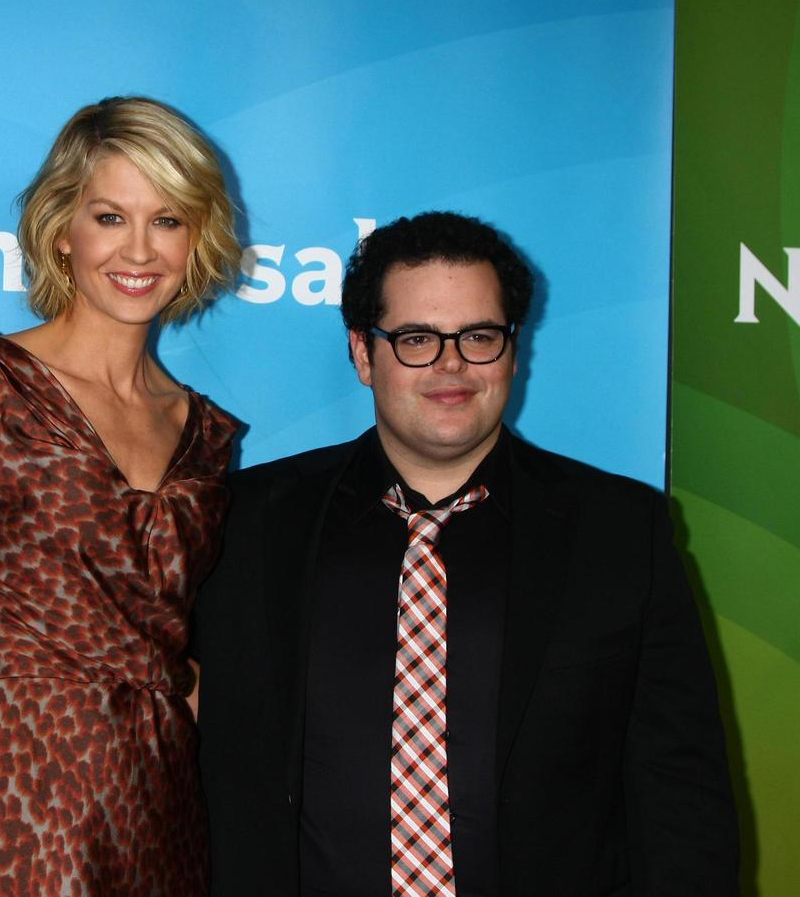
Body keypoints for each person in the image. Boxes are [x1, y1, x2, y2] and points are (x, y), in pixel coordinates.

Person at [192, 212, 739, 896]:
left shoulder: (621, 532)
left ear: (514, 351)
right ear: (364, 354)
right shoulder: (244, 522)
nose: (451, 365)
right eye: (417, 338)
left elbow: (681, 794)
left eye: (479, 336)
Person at [0, 96, 240, 895]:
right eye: (110, 216)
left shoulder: (205, 437)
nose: (139, 249)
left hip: (161, 807)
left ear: (197, 236)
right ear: (63, 228)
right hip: (8, 794)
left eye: (167, 219)